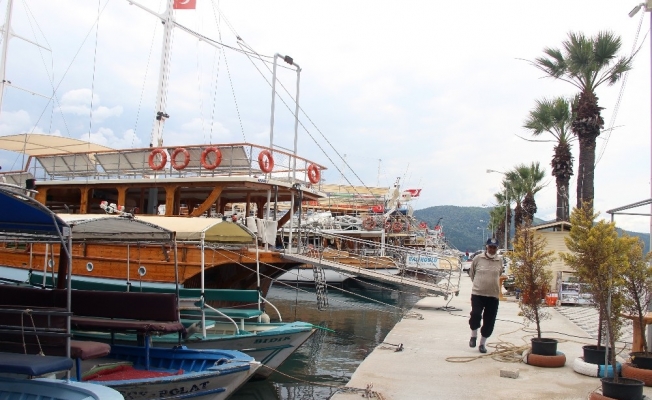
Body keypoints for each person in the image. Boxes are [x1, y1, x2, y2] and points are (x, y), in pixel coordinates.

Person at [468, 237, 503, 353]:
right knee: (475, 314)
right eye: (490, 247)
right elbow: (472, 273)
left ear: (497, 248)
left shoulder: (500, 260)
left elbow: (499, 274)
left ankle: (482, 343)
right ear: (486, 247)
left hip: (493, 295)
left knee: (489, 320)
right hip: (478, 293)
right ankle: (473, 335)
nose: (492, 249)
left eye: (494, 247)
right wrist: (479, 283)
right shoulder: (478, 258)